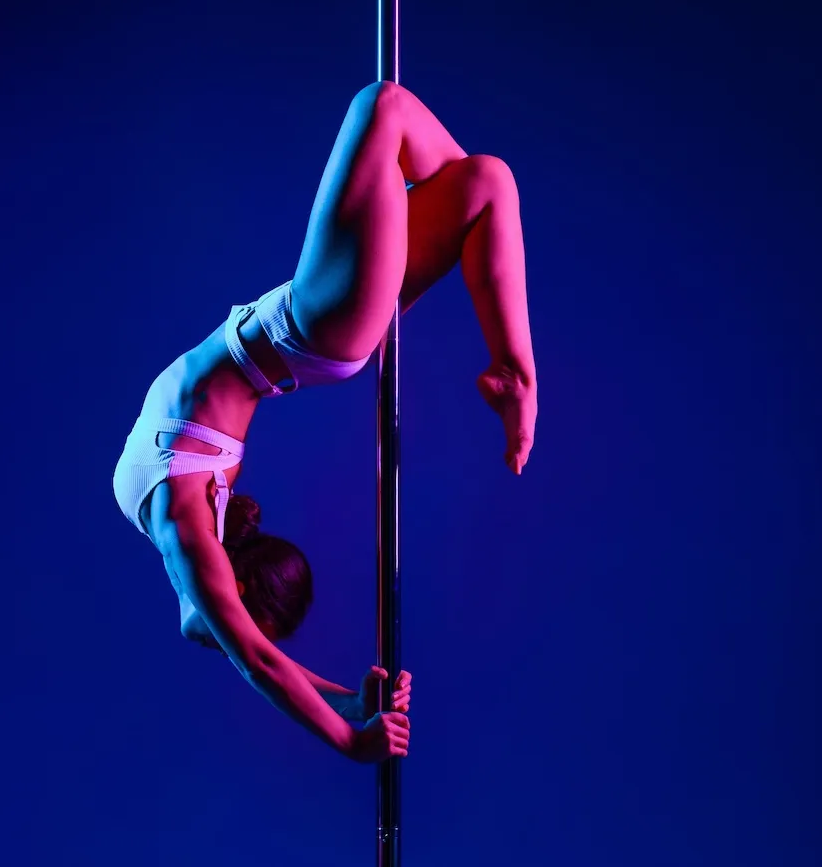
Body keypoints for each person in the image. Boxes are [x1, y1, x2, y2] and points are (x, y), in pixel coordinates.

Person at [112, 81, 537, 763]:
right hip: (310, 323)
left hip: (318, 328)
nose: (225, 617)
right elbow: (253, 655)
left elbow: (244, 649)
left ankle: (510, 367)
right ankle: (516, 371)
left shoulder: (188, 546)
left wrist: (345, 705)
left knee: (485, 183)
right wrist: (351, 740)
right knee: (383, 109)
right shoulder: (184, 524)